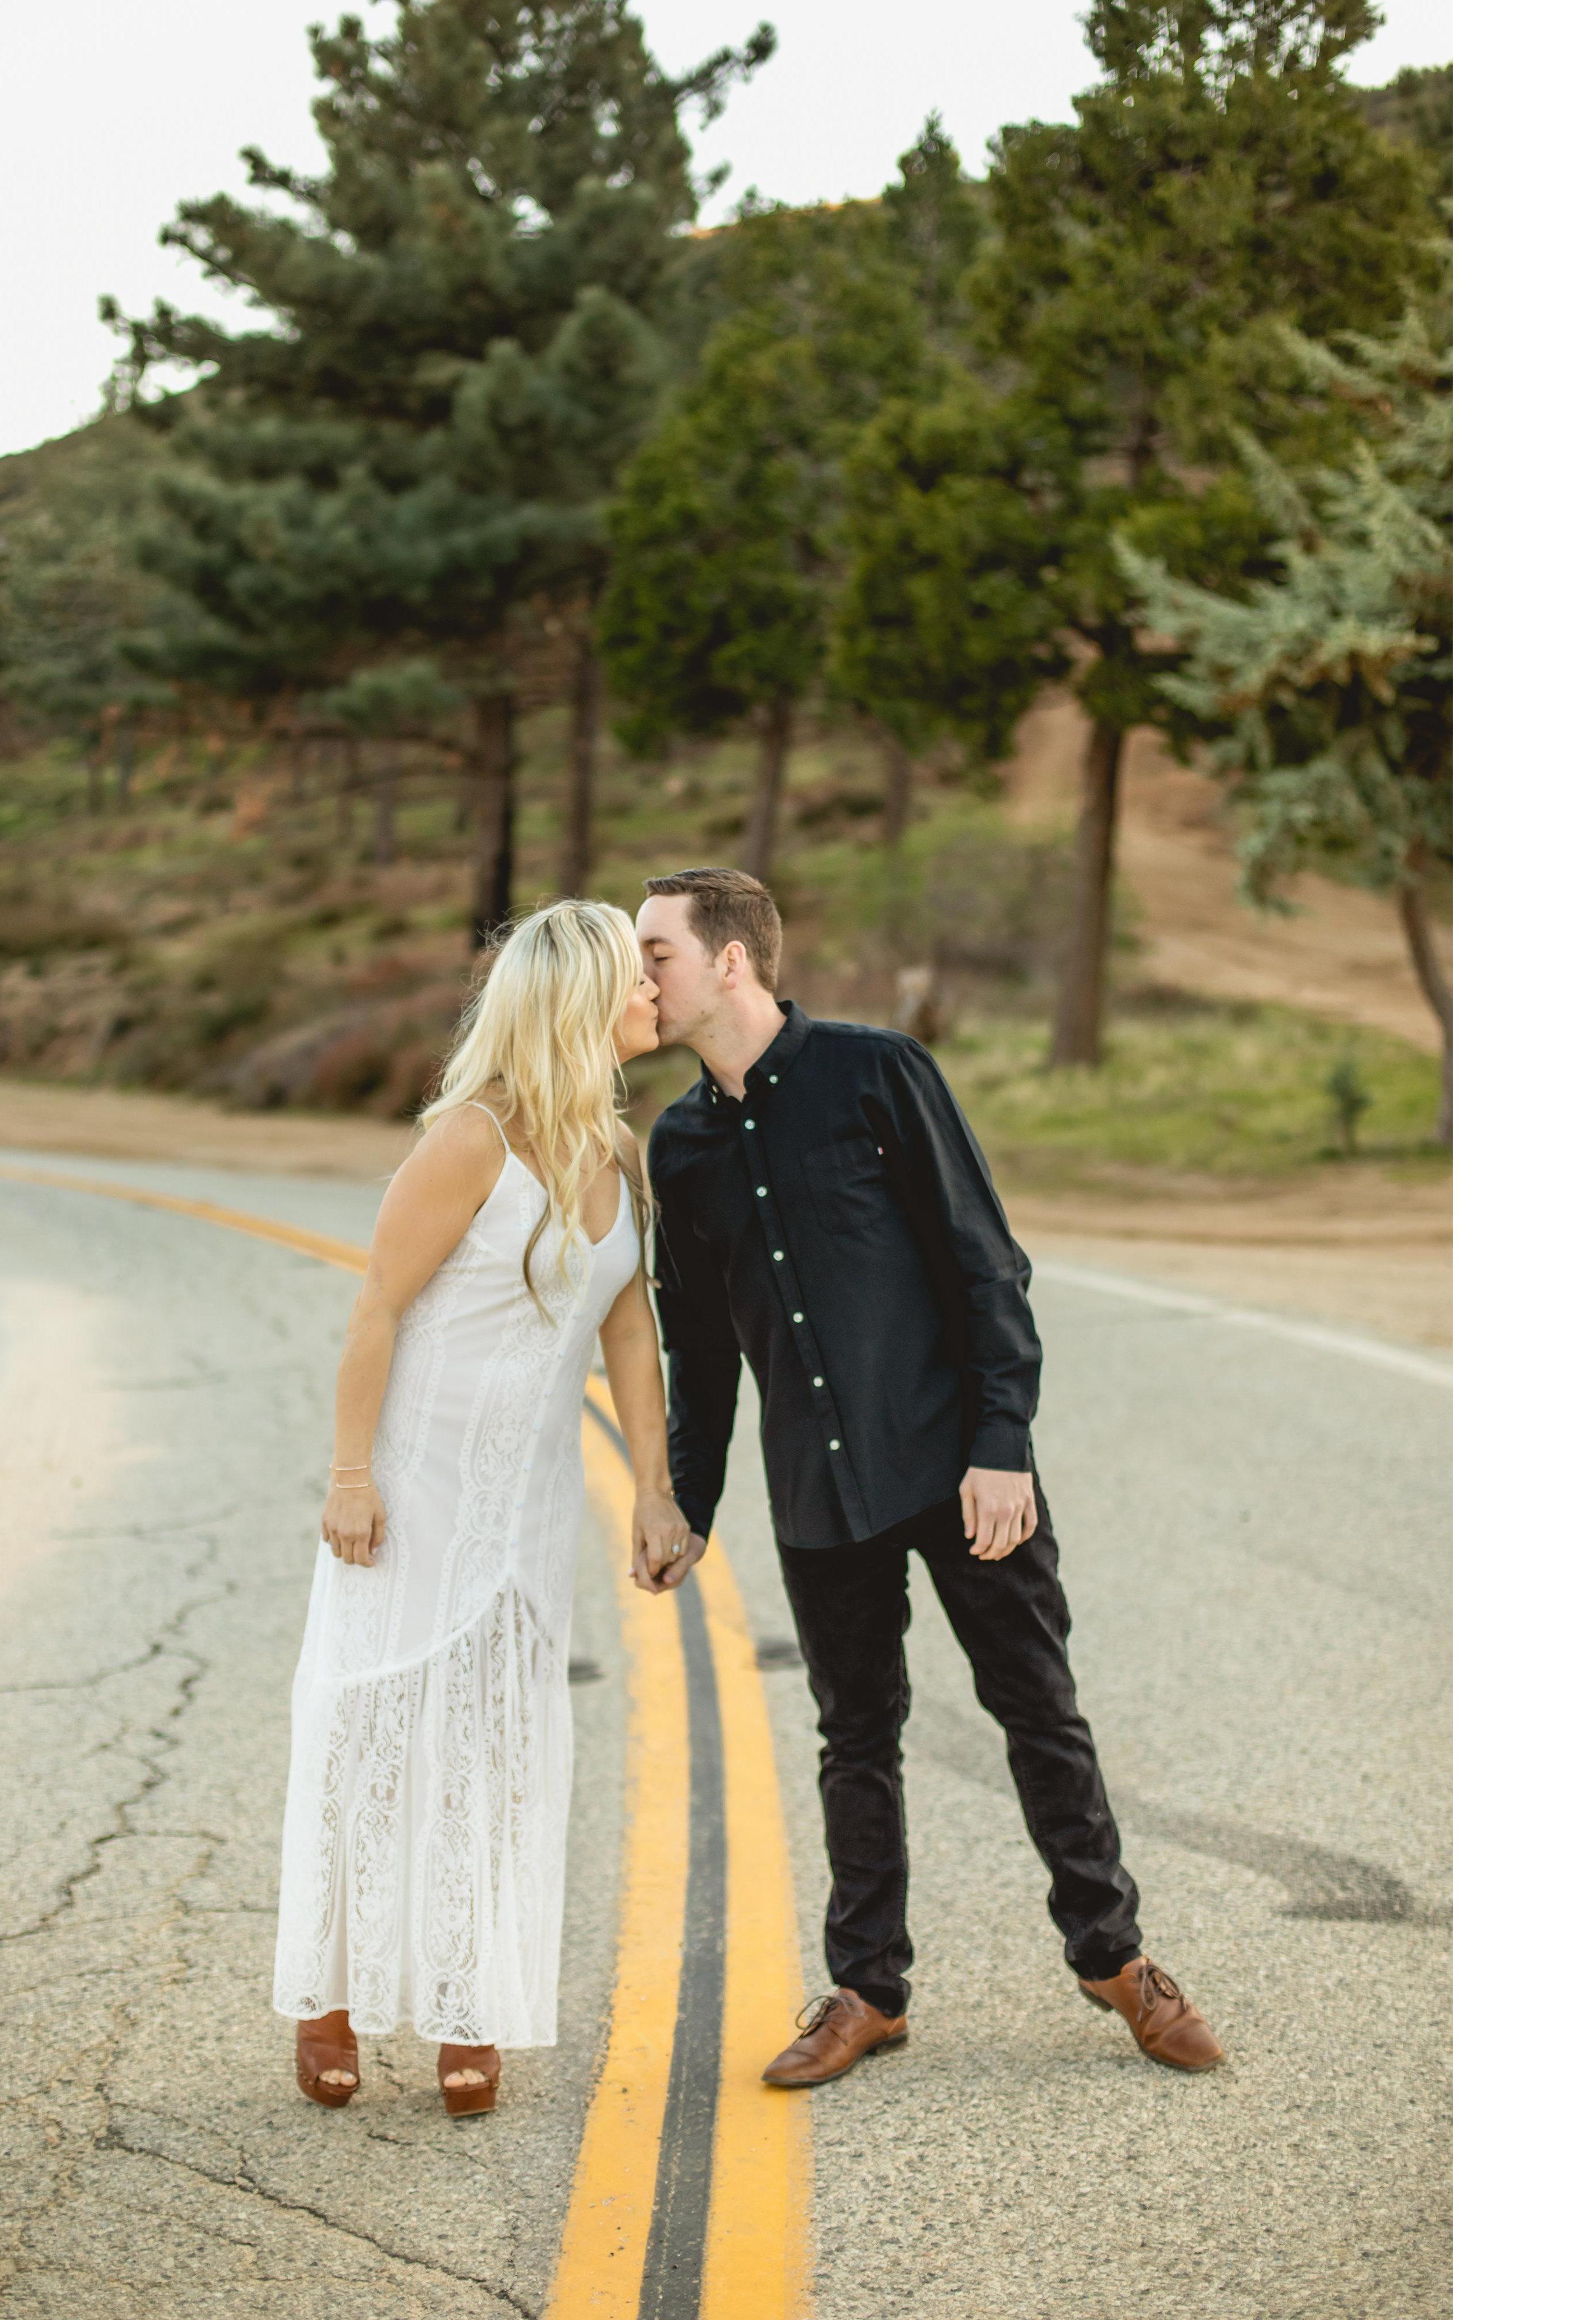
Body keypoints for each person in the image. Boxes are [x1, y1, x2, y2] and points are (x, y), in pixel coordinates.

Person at [635, 866, 1224, 2086]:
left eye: (656, 953)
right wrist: (685, 1502)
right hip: (817, 1495)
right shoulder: (679, 1149)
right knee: (854, 1736)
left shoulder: (877, 1073)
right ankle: (867, 1990)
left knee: (1037, 1710)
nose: (637, 977)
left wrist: (1001, 1445)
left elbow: (984, 1264)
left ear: (730, 960)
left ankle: (1114, 1957)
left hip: (960, 1471)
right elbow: (698, 1350)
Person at [273, 900, 691, 2117]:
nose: (651, 994)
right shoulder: (469, 1141)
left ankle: (467, 1998)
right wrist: (351, 1478)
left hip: (529, 1506)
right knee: (369, 1733)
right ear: (581, 999)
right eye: (634, 978)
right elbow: (377, 1308)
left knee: (493, 1750)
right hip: (411, 1491)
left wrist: (653, 1489)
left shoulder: (615, 1149)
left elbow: (628, 1330)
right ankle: (328, 1995)